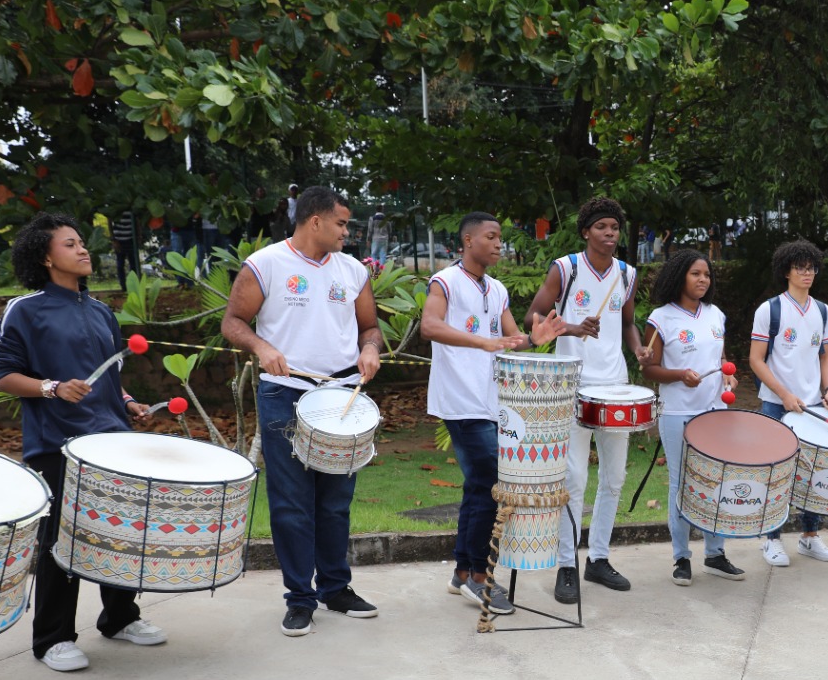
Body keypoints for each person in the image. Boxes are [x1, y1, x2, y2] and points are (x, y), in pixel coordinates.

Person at [0, 213, 168, 672]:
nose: (83, 249)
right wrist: (52, 387)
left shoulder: (100, 310)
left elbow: (110, 375)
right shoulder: (24, 310)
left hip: (113, 441)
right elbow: (4, 375)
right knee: (61, 541)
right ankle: (53, 639)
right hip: (59, 443)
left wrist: (127, 402)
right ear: (47, 257)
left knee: (120, 532)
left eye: (82, 242)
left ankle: (120, 617)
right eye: (71, 244)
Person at [222, 185, 382, 637]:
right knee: (292, 502)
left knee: (335, 502)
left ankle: (336, 588)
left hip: (342, 397)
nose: (346, 233)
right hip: (285, 394)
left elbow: (369, 328)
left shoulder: (352, 270)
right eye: (342, 223)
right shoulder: (267, 264)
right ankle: (299, 597)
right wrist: (261, 346)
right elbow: (233, 322)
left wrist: (369, 351)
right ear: (315, 221)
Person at [421, 212, 568, 614]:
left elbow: (508, 339)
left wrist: (530, 339)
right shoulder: (445, 281)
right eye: (491, 236)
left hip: (491, 403)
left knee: (478, 486)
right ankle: (478, 578)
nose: (499, 243)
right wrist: (481, 343)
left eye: (501, 236)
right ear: (468, 241)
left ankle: (462, 572)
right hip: (460, 400)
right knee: (491, 482)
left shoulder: (497, 289)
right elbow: (430, 326)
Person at [524, 197, 646, 604]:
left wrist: (640, 349)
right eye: (602, 227)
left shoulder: (627, 274)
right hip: (572, 385)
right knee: (574, 479)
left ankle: (598, 558)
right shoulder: (566, 268)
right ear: (585, 232)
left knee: (614, 479)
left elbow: (628, 323)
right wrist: (573, 328)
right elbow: (533, 318)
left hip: (615, 385)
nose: (610, 234)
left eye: (615, 227)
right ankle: (566, 565)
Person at [639, 249, 746, 584]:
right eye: (696, 274)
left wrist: (730, 377)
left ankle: (715, 554)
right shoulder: (661, 318)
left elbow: (722, 358)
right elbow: (649, 370)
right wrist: (679, 375)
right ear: (679, 277)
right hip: (678, 413)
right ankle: (681, 558)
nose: (703, 280)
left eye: (707, 275)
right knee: (681, 484)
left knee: (716, 480)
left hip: (715, 411)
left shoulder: (715, 315)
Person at [749, 239, 828, 567]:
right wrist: (784, 394)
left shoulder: (823, 310)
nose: (807, 273)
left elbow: (824, 356)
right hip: (776, 405)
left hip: (814, 407)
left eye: (812, 267)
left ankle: (810, 536)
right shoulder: (770, 309)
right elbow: (756, 360)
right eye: (800, 267)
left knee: (814, 472)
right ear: (786, 271)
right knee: (777, 472)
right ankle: (771, 539)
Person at [108, 209, 138, 287]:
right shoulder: (115, 207)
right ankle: (123, 286)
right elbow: (109, 222)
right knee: (120, 265)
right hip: (118, 240)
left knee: (134, 264)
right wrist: (113, 239)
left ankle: (134, 285)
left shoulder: (132, 207)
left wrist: (138, 236)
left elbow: (137, 222)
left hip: (131, 239)